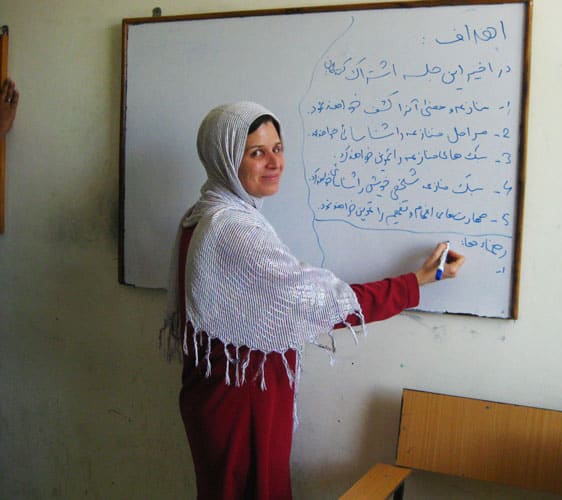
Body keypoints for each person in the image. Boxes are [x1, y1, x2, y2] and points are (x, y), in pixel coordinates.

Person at [167, 102, 465, 500]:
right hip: (241, 402)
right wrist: (417, 282)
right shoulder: (233, 228)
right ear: (224, 156)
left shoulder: (204, 213)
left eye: (278, 147)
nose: (274, 162)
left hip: (225, 390)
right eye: (256, 152)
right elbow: (317, 301)